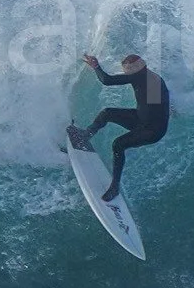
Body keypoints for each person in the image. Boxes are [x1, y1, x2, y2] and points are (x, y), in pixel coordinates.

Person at [67, 51, 171, 202]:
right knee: (107, 113)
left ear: (133, 70)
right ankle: (85, 136)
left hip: (152, 131)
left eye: (126, 71)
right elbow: (162, 98)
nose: (124, 74)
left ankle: (114, 187)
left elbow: (106, 80)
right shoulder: (149, 76)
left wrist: (96, 66)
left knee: (118, 144)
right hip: (142, 119)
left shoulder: (143, 77)